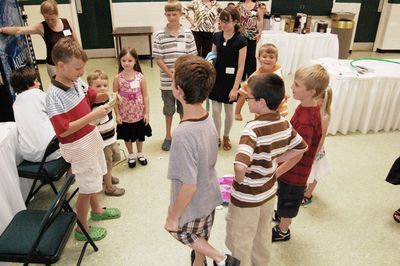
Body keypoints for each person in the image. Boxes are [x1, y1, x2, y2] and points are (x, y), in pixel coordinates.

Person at [164, 54, 240, 266]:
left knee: (179, 231)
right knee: (202, 237)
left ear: (178, 90)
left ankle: (222, 259)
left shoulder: (183, 134)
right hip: (210, 196)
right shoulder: (207, 118)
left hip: (192, 205)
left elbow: (188, 186)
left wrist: (173, 217)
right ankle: (200, 260)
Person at [225, 73, 307, 266]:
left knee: (240, 240)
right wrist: (276, 159)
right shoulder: (284, 123)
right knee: (262, 236)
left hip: (246, 199)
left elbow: (240, 166)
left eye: (249, 98)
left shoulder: (252, 130)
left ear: (261, 102)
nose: (246, 100)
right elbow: (300, 147)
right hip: (268, 194)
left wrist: (240, 178)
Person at [46, 38, 121, 241]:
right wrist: (92, 116)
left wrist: (105, 96)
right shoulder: (53, 96)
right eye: (77, 68)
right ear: (60, 66)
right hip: (78, 147)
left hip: (90, 139)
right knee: (86, 188)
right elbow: (63, 131)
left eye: (82, 68)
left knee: (94, 177)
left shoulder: (76, 81)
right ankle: (82, 228)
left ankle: (96, 210)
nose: (81, 73)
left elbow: (91, 97)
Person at [273, 64, 329, 242]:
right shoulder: (305, 107)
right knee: (283, 196)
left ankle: (283, 230)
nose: (292, 87)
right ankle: (282, 216)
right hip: (289, 168)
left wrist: (276, 172)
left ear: (311, 91)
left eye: (296, 85)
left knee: (288, 201)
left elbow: (298, 154)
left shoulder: (306, 120)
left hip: (294, 173)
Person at [153, 0, 198, 151]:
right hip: (167, 82)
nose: (172, 17)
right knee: (169, 109)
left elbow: (192, 56)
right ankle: (168, 136)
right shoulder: (159, 35)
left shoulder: (188, 34)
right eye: (169, 14)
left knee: (183, 110)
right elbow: (158, 59)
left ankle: (183, 136)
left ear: (181, 14)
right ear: (165, 14)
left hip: (184, 81)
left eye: (175, 14)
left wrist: (181, 74)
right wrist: (171, 75)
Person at [0, 0, 78, 78]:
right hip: (54, 66)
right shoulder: (41, 27)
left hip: (70, 63)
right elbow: (19, 30)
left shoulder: (66, 22)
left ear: (56, 14)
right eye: (47, 19)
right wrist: (2, 30)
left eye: (52, 19)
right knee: (62, 88)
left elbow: (76, 43)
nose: (50, 22)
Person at [208, 6, 247, 151]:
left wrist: (235, 88)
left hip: (231, 81)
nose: (223, 24)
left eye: (227, 21)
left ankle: (226, 136)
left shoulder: (241, 40)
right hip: (217, 79)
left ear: (236, 21)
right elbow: (212, 55)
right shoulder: (216, 36)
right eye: (221, 21)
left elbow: (241, 66)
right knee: (216, 111)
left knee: (229, 111)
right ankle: (216, 136)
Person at [87, 70, 125, 196]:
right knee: (107, 162)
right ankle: (109, 187)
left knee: (115, 157)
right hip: (102, 141)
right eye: (98, 86)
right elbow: (94, 121)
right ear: (90, 89)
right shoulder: (92, 105)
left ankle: (107, 176)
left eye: (105, 85)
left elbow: (113, 105)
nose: (103, 89)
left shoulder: (106, 99)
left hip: (111, 136)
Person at [11, 66, 60, 162]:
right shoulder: (37, 93)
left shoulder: (15, 103)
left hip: (28, 155)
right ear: (29, 84)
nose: (39, 84)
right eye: (36, 81)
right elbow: (59, 112)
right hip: (50, 151)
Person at [113, 47, 151, 168]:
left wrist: (147, 113)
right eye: (123, 60)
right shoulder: (117, 78)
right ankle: (131, 155)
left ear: (135, 61)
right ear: (120, 61)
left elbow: (145, 96)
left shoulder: (140, 77)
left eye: (130, 60)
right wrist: (117, 114)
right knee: (127, 136)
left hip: (139, 114)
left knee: (140, 135)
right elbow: (114, 99)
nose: (126, 63)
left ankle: (140, 153)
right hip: (125, 115)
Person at [234, 43, 285, 121]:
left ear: (276, 59)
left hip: (280, 111)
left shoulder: (278, 68)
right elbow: (243, 94)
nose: (267, 59)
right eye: (264, 56)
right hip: (262, 113)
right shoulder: (255, 78)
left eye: (271, 57)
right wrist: (237, 112)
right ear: (258, 58)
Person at [303, 87, 333, 207]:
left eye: (316, 99)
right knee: (308, 171)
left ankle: (308, 195)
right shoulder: (314, 110)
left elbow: (322, 137)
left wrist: (315, 152)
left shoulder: (324, 116)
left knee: (315, 173)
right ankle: (304, 189)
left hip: (316, 149)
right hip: (308, 146)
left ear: (323, 100)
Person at [237, 0, 264, 81]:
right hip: (241, 34)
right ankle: (241, 76)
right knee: (241, 56)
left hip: (252, 35)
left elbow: (261, 20)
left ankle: (252, 77)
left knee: (251, 56)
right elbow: (236, 19)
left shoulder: (257, 6)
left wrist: (259, 33)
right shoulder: (239, 6)